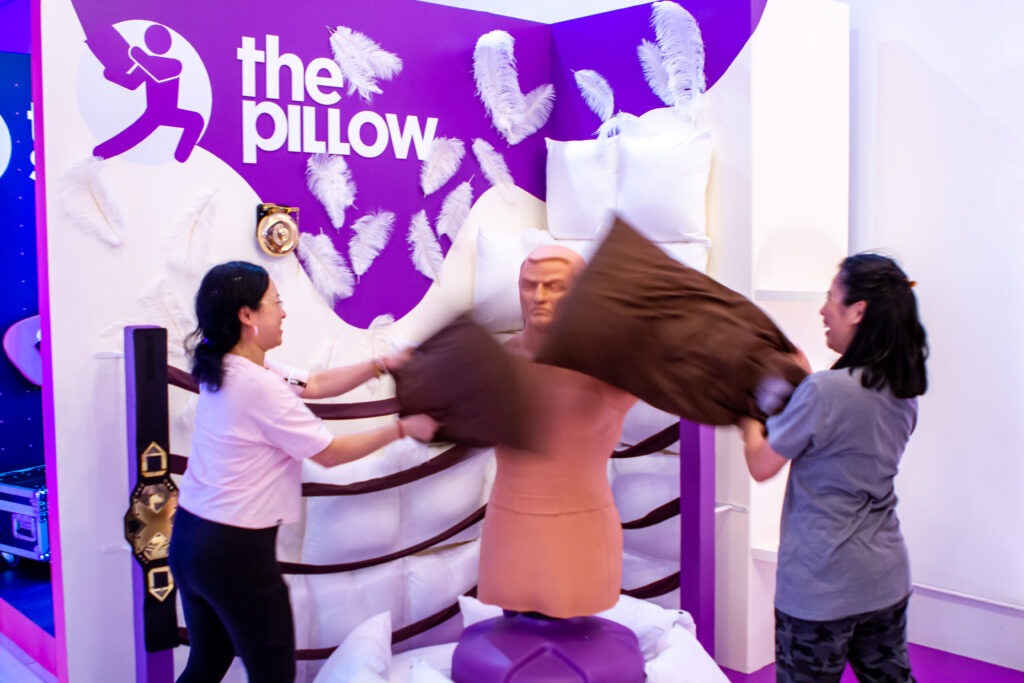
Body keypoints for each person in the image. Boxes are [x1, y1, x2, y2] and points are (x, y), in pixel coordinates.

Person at [169, 261, 438, 683]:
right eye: (276, 303)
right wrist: (402, 429)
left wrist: (382, 363)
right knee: (273, 674)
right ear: (247, 315)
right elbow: (329, 453)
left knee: (206, 664)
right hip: (234, 553)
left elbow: (313, 385)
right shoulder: (258, 387)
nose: (283, 313)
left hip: (191, 541)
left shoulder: (227, 366)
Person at [737, 253, 927, 683]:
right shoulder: (904, 389)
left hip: (821, 587)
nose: (823, 310)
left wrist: (746, 415)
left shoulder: (824, 392)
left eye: (831, 297)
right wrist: (806, 383)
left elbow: (761, 464)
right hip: (884, 578)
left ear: (858, 310)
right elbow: (844, 426)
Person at [477, 245, 637, 618]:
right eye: (528, 284)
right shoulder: (497, 362)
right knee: (514, 626)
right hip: (509, 525)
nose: (538, 296)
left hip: (578, 528)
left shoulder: (609, 366)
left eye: (554, 286)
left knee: (574, 625)